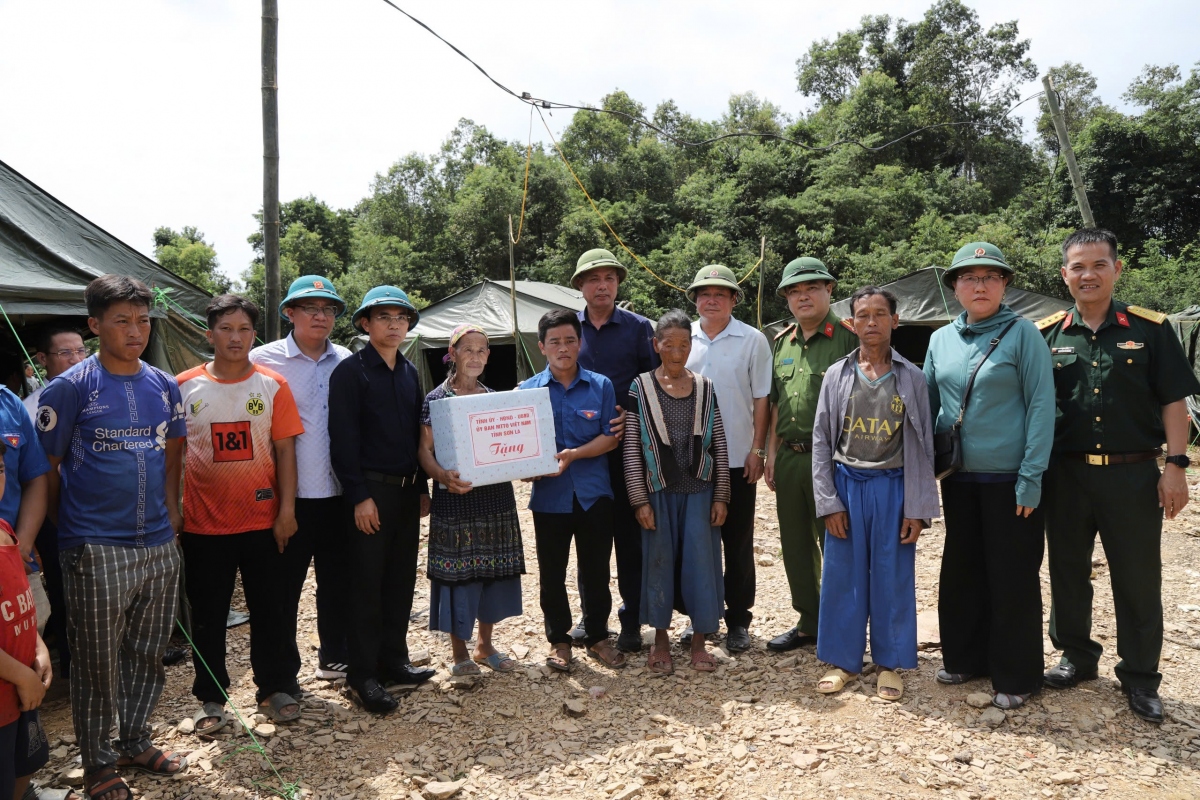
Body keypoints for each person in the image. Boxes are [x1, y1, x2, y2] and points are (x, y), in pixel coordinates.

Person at [1037, 228, 1200, 724]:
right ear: (1064, 274)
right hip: (1064, 476)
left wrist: (1176, 466)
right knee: (1067, 572)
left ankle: (1141, 677)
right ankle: (1077, 657)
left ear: (1116, 269)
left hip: (1133, 477)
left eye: (1098, 265)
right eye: (1078, 267)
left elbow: (1174, 399)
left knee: (1137, 578)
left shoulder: (1150, 329)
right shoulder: (1046, 332)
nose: (1088, 274)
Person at [35, 275, 188, 800]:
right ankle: (98, 762)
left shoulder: (164, 385)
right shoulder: (70, 388)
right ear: (94, 325)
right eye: (122, 320)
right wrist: (68, 528)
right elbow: (47, 467)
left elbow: (173, 455)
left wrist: (173, 514)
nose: (135, 330)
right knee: (97, 658)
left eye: (143, 319)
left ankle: (136, 740)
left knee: (147, 649)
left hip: (158, 542)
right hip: (95, 545)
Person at [923, 242, 1055, 710]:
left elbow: (1042, 406)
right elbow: (927, 408)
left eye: (991, 277)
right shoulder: (940, 340)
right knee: (962, 571)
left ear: (1003, 284)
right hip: (958, 478)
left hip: (1010, 481)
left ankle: (1017, 675)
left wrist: (1031, 475)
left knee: (1013, 577)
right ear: (954, 286)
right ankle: (965, 658)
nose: (980, 285)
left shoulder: (1024, 334)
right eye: (969, 277)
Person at [175, 295, 305, 734]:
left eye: (244, 328)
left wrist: (286, 510)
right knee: (208, 615)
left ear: (255, 334)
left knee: (272, 610)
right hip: (202, 525)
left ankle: (274, 688)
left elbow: (286, 451)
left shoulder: (271, 385)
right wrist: (173, 510)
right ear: (208, 334)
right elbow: (173, 455)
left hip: (264, 523)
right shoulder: (183, 386)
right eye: (226, 328)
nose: (236, 337)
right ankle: (210, 698)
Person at [810, 287, 939, 701]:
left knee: (892, 576)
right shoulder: (837, 374)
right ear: (851, 323)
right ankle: (844, 661)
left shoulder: (912, 377)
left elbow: (922, 447)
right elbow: (821, 441)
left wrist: (917, 510)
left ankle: (889, 662)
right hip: (848, 485)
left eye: (879, 314)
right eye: (862, 315)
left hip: (893, 488)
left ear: (894, 321)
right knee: (842, 576)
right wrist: (828, 501)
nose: (870, 322)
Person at [328, 286, 434, 714]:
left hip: (408, 492)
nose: (393, 324)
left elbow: (416, 437)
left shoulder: (410, 372)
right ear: (365, 324)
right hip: (371, 493)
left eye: (401, 317)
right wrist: (358, 496)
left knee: (400, 580)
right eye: (383, 317)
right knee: (366, 585)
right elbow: (342, 440)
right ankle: (362, 675)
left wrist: (423, 487)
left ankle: (394, 660)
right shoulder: (350, 373)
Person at [250, 275, 353, 683]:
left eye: (328, 309)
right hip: (286, 497)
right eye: (310, 308)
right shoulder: (263, 360)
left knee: (337, 582)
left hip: (339, 492)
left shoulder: (345, 358)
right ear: (289, 313)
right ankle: (280, 677)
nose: (320, 316)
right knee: (281, 591)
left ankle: (334, 656)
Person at [623, 310, 729, 673]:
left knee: (702, 565)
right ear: (656, 346)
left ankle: (699, 641)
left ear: (690, 346)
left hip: (699, 489)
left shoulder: (705, 386)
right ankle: (661, 641)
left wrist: (721, 496)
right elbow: (633, 446)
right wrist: (639, 499)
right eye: (669, 344)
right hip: (658, 491)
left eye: (684, 344)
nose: (676, 351)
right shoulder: (641, 387)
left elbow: (720, 443)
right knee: (659, 563)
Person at [518, 309, 624, 672]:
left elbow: (611, 438)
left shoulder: (601, 386)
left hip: (594, 494)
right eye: (554, 342)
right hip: (549, 498)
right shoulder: (526, 392)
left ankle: (596, 637)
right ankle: (559, 642)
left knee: (595, 570)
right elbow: (518, 449)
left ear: (580, 343)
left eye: (569, 340)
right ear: (541, 347)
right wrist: (524, 469)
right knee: (552, 573)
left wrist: (574, 454)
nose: (563, 348)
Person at [416, 324, 524, 676]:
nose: (475, 356)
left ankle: (485, 645)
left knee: (491, 569)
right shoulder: (436, 400)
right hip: (454, 499)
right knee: (457, 575)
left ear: (488, 356)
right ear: (453, 354)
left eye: (482, 350)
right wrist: (441, 476)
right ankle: (459, 652)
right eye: (468, 349)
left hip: (495, 498)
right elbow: (425, 451)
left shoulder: (495, 399)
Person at [765, 258, 857, 653]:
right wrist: (769, 455)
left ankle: (844, 625)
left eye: (811, 288)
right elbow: (774, 403)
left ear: (829, 290)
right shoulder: (781, 342)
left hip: (834, 459)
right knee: (795, 544)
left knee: (836, 542)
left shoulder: (849, 339)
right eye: (794, 291)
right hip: (788, 456)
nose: (803, 296)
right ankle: (809, 621)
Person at [570, 248, 655, 653]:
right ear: (580, 286)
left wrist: (633, 416)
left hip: (628, 451)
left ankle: (633, 621)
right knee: (589, 540)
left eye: (609, 278)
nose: (602, 285)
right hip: (584, 453)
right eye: (593, 279)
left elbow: (653, 382)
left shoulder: (639, 328)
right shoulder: (570, 331)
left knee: (629, 536)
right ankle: (592, 621)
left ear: (618, 284)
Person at [683, 265, 771, 653]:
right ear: (695, 300)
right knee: (696, 543)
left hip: (738, 458)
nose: (711, 299)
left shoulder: (752, 340)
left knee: (737, 542)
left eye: (720, 293)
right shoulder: (681, 338)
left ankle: (738, 620)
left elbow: (762, 398)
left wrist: (758, 449)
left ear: (735, 299)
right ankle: (699, 618)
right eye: (704, 293)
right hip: (690, 461)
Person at [24, 325, 88, 679]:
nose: (76, 359)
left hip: (96, 508)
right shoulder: (30, 407)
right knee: (64, 588)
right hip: (53, 511)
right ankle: (73, 663)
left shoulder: (97, 391)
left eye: (81, 351)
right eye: (66, 353)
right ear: (42, 359)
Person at [0, 440, 57, 800]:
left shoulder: (6, 528)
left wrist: (39, 646)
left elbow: (21, 602)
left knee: (25, 764)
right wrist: (22, 677)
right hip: (11, 689)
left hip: (22, 691)